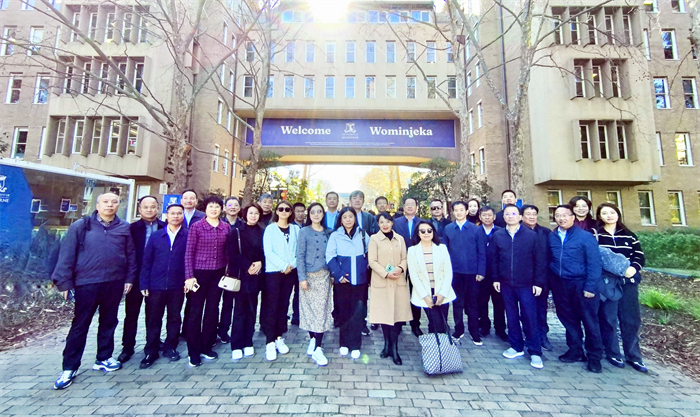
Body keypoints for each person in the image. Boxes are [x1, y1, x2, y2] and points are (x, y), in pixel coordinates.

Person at [52, 192, 137, 390]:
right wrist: (64, 282)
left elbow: (131, 255)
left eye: (114, 202)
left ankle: (104, 358)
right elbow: (67, 254)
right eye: (105, 202)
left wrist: (129, 278)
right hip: (87, 283)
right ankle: (69, 367)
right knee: (80, 325)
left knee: (109, 321)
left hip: (114, 282)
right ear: (97, 205)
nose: (110, 205)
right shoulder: (81, 226)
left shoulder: (124, 227)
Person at [549, 204, 604, 373]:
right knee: (568, 319)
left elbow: (594, 263)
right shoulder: (552, 236)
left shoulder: (585, 237)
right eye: (558, 215)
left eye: (565, 215)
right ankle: (575, 350)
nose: (561, 218)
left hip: (581, 284)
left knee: (589, 320)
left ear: (573, 217)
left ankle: (594, 357)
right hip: (560, 284)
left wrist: (590, 286)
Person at [594, 203, 648, 373]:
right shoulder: (596, 235)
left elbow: (639, 255)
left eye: (612, 212)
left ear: (618, 214)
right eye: (604, 213)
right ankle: (612, 353)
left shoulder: (629, 235)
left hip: (628, 281)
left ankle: (634, 356)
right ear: (599, 216)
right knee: (608, 318)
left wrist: (634, 268)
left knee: (630, 319)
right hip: (608, 283)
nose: (609, 215)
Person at [491, 205, 547, 369]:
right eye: (507, 214)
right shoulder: (498, 235)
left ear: (520, 217)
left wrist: (538, 282)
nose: (510, 216)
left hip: (527, 284)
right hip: (506, 283)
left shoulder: (531, 236)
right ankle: (516, 346)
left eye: (514, 213)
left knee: (530, 317)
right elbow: (494, 259)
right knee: (511, 316)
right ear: (503, 217)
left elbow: (540, 261)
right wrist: (496, 278)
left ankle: (535, 351)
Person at [138, 204, 187, 369]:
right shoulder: (156, 236)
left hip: (177, 285)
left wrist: (187, 280)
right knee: (153, 319)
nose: (176, 216)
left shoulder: (187, 235)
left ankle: (170, 346)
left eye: (179, 213)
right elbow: (147, 261)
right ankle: (150, 350)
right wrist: (144, 283)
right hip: (155, 285)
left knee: (174, 317)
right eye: (172, 213)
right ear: (166, 215)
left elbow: (189, 260)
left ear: (182, 216)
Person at [117, 195, 165, 364]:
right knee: (131, 314)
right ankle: (127, 347)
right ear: (139, 209)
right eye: (146, 207)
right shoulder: (131, 228)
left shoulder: (165, 227)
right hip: (136, 276)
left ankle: (152, 345)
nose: (149, 209)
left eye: (153, 206)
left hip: (156, 277)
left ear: (158, 208)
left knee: (154, 314)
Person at [183, 196, 230, 367]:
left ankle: (206, 346)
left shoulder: (226, 227)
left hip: (218, 274)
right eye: (211, 206)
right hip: (199, 274)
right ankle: (193, 352)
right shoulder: (197, 227)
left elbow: (228, 251)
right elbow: (189, 253)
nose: (214, 209)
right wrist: (189, 276)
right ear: (206, 209)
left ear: (221, 209)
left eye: (217, 206)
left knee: (212, 310)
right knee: (195, 312)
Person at [368, 212, 412, 365]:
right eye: (381, 222)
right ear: (378, 224)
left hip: (398, 281)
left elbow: (405, 257)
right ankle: (387, 345)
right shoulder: (374, 239)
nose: (385, 225)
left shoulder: (400, 239)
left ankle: (394, 348)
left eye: (387, 221)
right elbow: (372, 261)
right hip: (382, 282)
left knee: (397, 316)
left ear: (392, 223)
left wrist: (400, 268)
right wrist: (386, 273)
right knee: (384, 316)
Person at [326, 207, 370, 360]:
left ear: (355, 218)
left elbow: (370, 253)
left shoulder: (362, 234)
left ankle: (355, 344)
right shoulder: (335, 235)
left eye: (351, 216)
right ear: (341, 219)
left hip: (360, 281)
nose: (348, 219)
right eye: (345, 217)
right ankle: (344, 343)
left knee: (357, 313)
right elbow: (330, 256)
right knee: (344, 313)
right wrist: (338, 275)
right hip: (343, 281)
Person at [443, 201, 486, 345]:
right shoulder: (448, 228)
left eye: (462, 210)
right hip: (455, 272)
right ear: (452, 212)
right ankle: (458, 329)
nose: (459, 212)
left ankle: (474, 332)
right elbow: (445, 251)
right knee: (457, 303)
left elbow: (481, 252)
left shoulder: (476, 229)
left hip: (472, 273)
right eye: (456, 210)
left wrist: (481, 271)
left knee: (472, 303)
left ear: (467, 211)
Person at [261, 200, 300, 361]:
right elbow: (268, 251)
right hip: (274, 272)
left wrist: (291, 265)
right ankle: (269, 341)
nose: (284, 211)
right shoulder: (270, 229)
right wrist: (283, 265)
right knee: (272, 305)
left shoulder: (296, 229)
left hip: (290, 272)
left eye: (287, 209)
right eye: (281, 209)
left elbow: (299, 250)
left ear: (291, 212)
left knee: (284, 305)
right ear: (276, 211)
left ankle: (279, 337)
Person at [296, 203, 333, 366]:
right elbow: (300, 256)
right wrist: (302, 278)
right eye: (313, 212)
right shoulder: (304, 232)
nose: (316, 214)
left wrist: (333, 274)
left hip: (324, 275)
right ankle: (312, 338)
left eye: (319, 211)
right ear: (309, 214)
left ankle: (318, 346)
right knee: (309, 310)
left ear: (323, 214)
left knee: (321, 310)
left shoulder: (328, 232)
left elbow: (332, 254)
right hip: (308, 276)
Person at [228, 203, 265, 361]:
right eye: (250, 213)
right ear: (245, 214)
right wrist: (247, 265)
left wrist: (260, 263)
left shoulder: (263, 231)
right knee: (239, 311)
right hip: (241, 275)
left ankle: (248, 341)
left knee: (251, 309)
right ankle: (236, 344)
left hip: (256, 276)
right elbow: (232, 253)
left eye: (256, 213)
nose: (253, 216)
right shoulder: (236, 231)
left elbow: (266, 251)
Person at [407, 221, 456, 335]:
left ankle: (440, 345)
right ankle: (434, 344)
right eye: (422, 231)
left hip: (442, 291)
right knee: (435, 323)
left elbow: (448, 272)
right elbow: (414, 276)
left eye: (429, 230)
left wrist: (442, 293)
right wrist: (425, 296)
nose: (426, 233)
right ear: (418, 233)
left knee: (442, 324)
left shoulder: (442, 248)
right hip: (425, 292)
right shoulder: (412, 251)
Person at [521, 204, 554, 351]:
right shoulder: (518, 232)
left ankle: (542, 335)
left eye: (534, 214)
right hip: (523, 279)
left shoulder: (545, 232)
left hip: (542, 278)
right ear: (522, 216)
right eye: (528, 214)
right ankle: (528, 335)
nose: (531, 216)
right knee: (526, 309)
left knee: (541, 308)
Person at [393, 197, 424, 336]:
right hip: (399, 263)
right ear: (403, 207)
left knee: (415, 293)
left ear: (416, 207)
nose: (410, 207)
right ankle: (398, 323)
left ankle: (415, 324)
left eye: (413, 204)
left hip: (417, 263)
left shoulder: (423, 223)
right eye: (407, 204)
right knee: (399, 294)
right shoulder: (396, 222)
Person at [477, 206, 506, 341]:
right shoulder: (476, 232)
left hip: (498, 274)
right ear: (480, 217)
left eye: (489, 215)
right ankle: (484, 325)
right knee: (482, 302)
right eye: (484, 215)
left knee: (499, 303)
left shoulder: (501, 231)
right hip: (481, 273)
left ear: (494, 217)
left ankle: (500, 328)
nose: (487, 217)